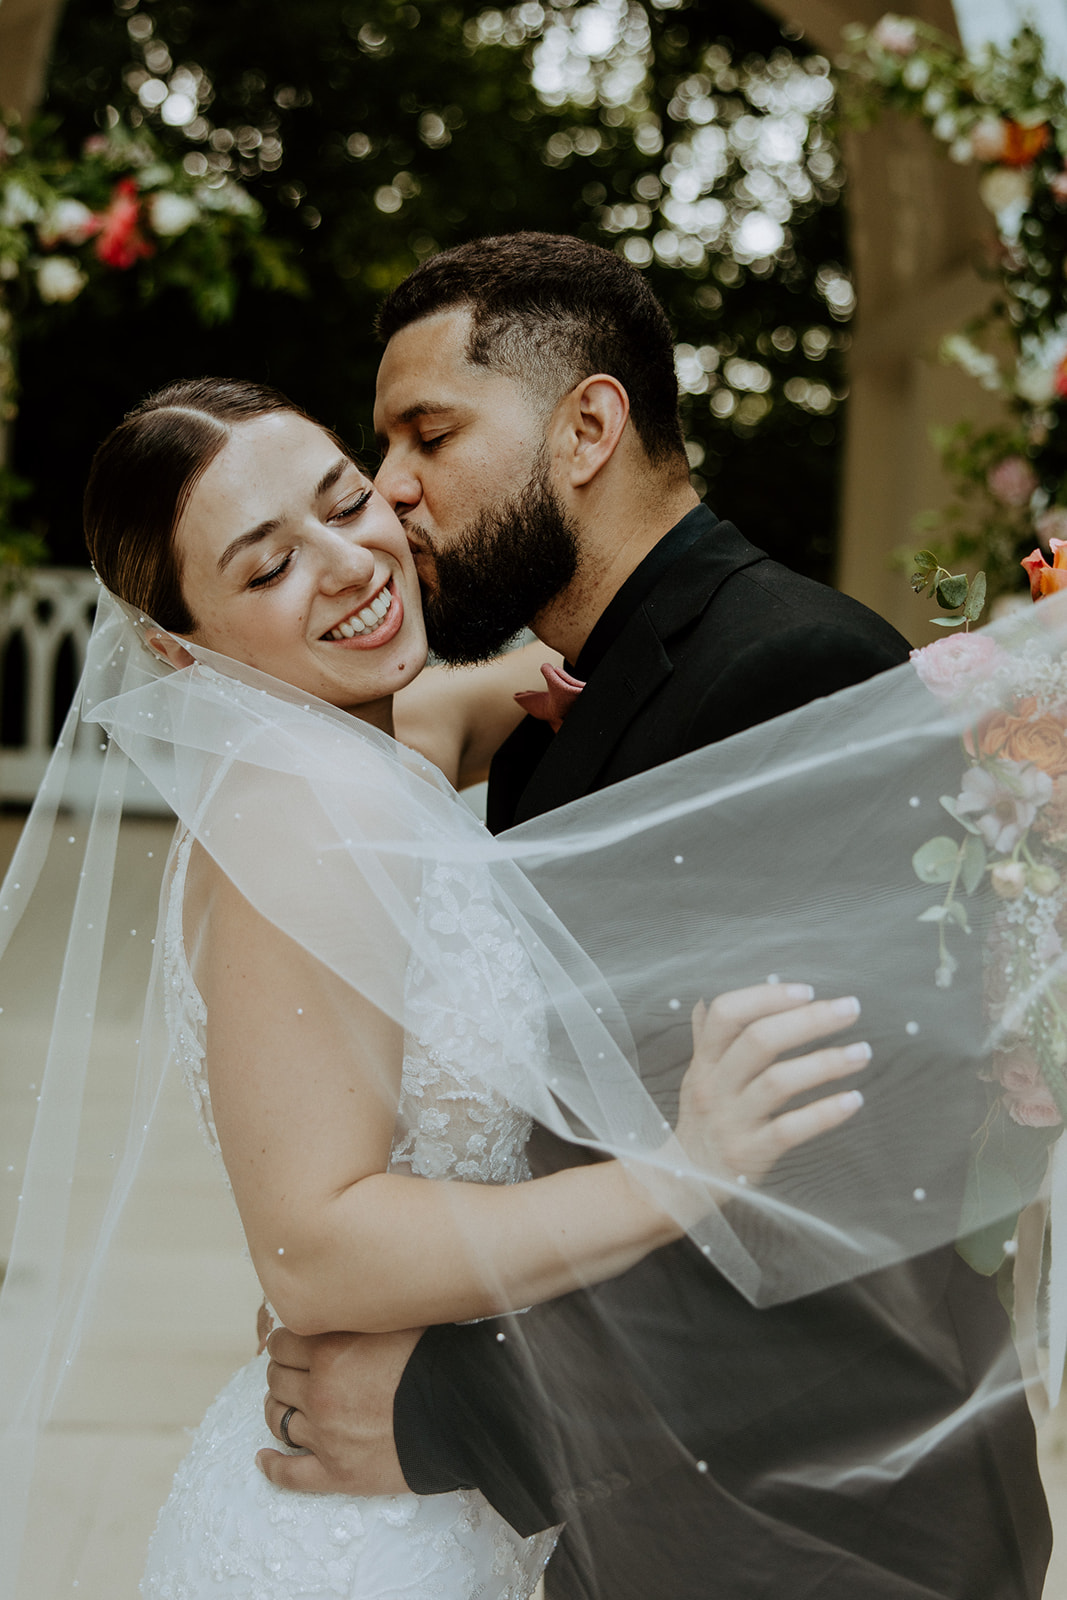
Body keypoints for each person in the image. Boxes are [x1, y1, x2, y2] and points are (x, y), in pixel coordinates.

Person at [259, 233, 1053, 1599]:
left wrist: (448, 1399)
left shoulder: (791, 672)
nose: (390, 492)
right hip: (668, 1521)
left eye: (426, 434)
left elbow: (829, 1198)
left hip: (837, 1532)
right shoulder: (568, 695)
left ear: (586, 425)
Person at [52, 376, 874, 1600]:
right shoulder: (296, 817)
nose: (347, 562)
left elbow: (430, 721)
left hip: (436, 1493)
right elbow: (316, 1250)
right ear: (178, 647)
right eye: (268, 567)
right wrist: (677, 1172)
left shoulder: (351, 748)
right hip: (363, 1543)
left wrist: (513, 679)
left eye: (343, 500)